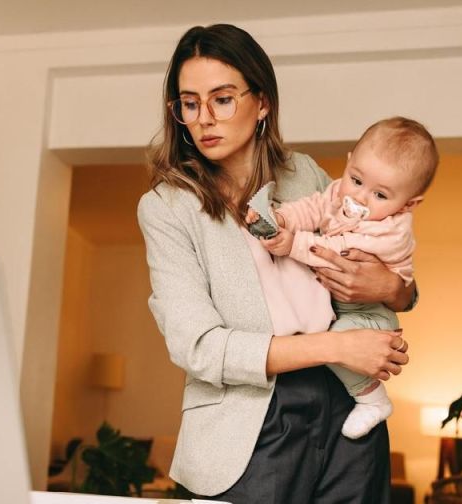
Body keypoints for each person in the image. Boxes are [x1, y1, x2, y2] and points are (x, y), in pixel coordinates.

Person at [137, 24, 415, 503]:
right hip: (248, 427)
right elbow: (199, 348)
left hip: (346, 406)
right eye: (189, 103)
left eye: (223, 99)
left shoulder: (304, 172)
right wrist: (337, 346)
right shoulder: (166, 208)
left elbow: (388, 270)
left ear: (261, 102)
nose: (204, 119)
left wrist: (391, 288)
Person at [246, 116, 438, 441]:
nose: (360, 197)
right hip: (335, 304)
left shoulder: (393, 231)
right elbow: (314, 207)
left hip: (369, 315)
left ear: (409, 204)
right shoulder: (339, 191)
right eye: (356, 180)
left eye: (380, 195)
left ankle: (373, 400)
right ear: (349, 163)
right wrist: (283, 218)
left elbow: (337, 252)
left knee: (339, 337)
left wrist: (293, 244)